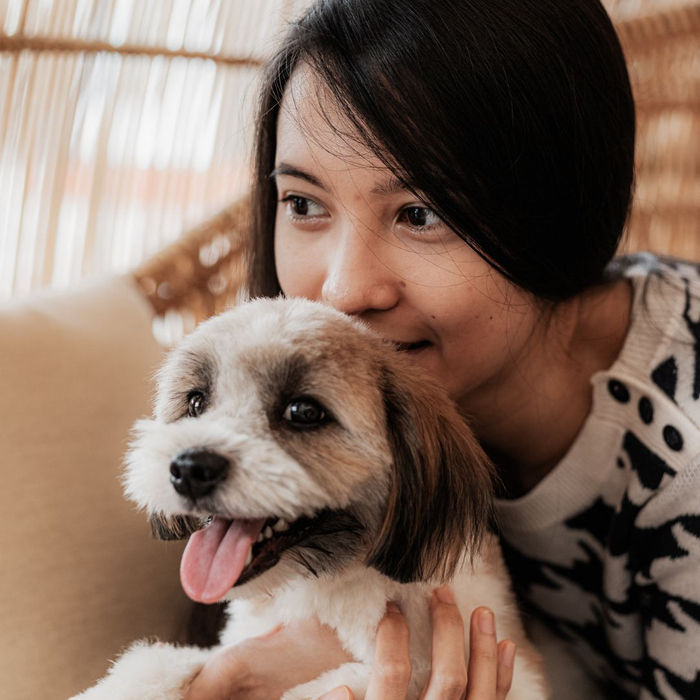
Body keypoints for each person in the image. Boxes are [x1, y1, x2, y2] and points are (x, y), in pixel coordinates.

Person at [186, 0, 700, 698]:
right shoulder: (318, 409)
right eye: (304, 203)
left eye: (420, 214)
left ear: (559, 208)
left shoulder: (685, 464)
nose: (340, 290)